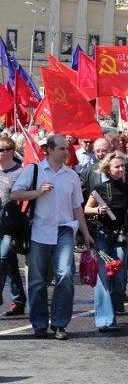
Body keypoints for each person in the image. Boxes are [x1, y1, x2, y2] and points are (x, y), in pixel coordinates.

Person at [11, 135, 94, 340]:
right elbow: (15, 194)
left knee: (65, 275)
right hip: (40, 230)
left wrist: (86, 233)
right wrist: (38, 192)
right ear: (49, 150)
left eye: (67, 148)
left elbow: (77, 207)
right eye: (62, 148)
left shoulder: (72, 176)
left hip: (65, 229)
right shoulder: (34, 170)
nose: (66, 152)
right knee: (38, 280)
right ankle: (39, 324)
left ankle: (59, 324)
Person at [84, 151, 128, 331]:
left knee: (119, 276)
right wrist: (97, 211)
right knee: (103, 276)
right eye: (117, 166)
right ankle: (104, 319)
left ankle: (115, 305)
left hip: (121, 237)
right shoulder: (100, 189)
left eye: (123, 166)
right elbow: (86, 209)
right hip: (102, 236)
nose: (121, 169)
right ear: (108, 169)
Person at [0, 137, 26, 316]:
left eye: (0, 150)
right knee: (10, 263)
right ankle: (18, 300)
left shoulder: (20, 172)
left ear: (10, 151)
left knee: (2, 259)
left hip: (11, 225)